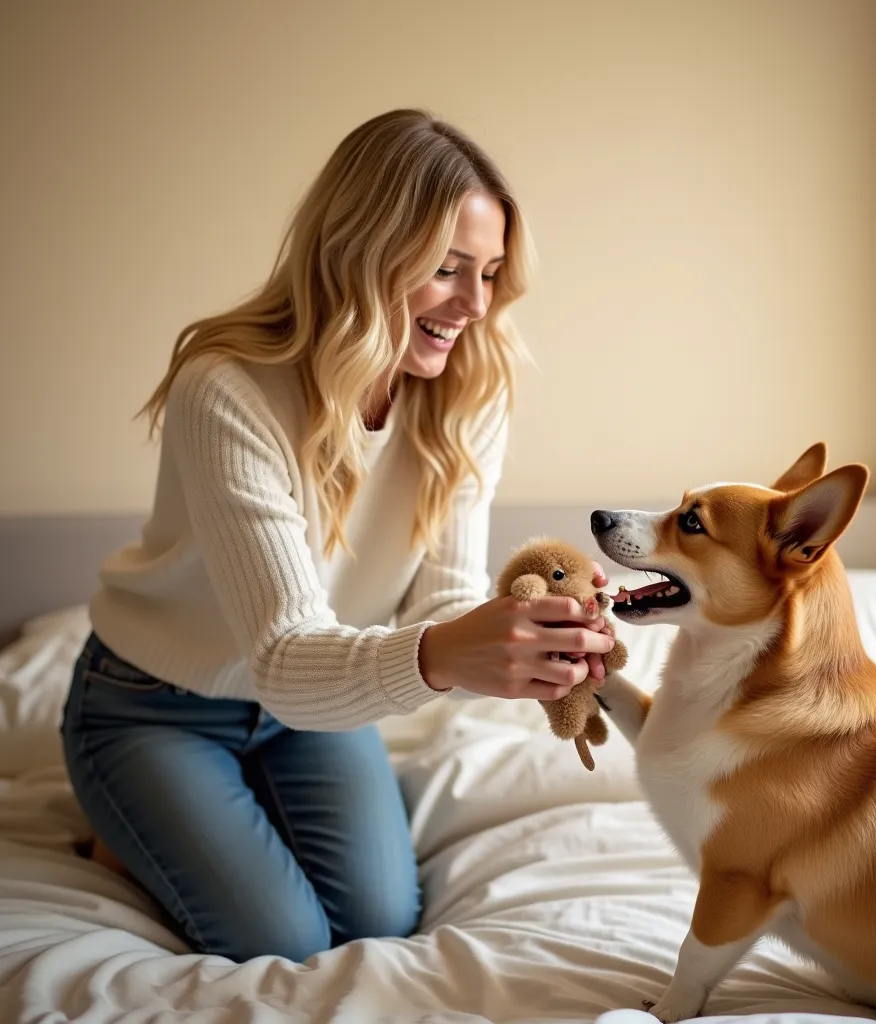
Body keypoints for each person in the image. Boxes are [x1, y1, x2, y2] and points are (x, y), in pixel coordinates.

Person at [60, 108, 615, 964]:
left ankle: (209, 809)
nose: (475, 304)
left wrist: (527, 638)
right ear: (363, 250)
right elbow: (285, 656)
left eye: (492, 273)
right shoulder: (227, 391)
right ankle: (124, 825)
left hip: (319, 703)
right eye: (447, 269)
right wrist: (442, 652)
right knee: (277, 937)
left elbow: (444, 609)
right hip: (155, 704)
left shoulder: (470, 393)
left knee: (380, 924)